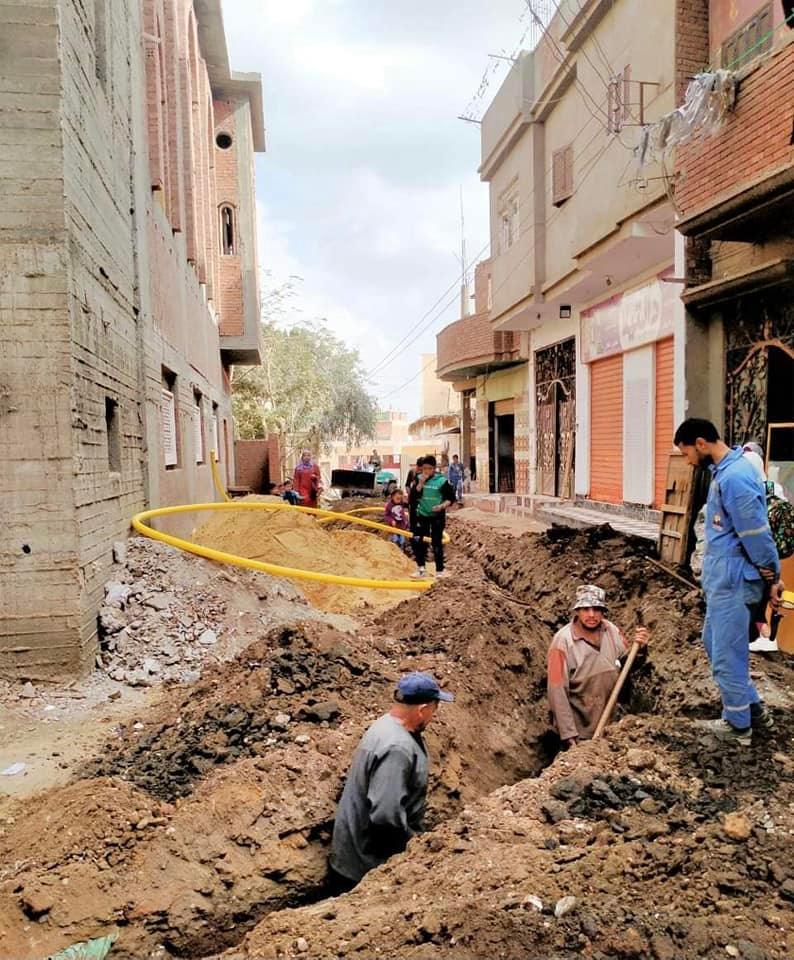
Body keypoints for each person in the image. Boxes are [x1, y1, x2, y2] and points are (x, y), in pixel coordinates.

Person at [675, 418, 783, 745]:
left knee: (726, 655)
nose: (688, 461)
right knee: (714, 643)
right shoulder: (724, 473)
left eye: (687, 453)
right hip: (724, 581)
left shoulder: (735, 476)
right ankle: (753, 710)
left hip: (734, 581)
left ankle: (738, 727)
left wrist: (772, 575)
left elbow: (756, 532)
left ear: (701, 443)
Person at [328, 672, 454, 891]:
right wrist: (416, 846)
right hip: (364, 867)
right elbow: (385, 815)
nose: (433, 716)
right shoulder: (397, 748)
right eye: (434, 709)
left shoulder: (384, 725)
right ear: (422, 710)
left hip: (352, 856)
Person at [547, 584, 650, 747]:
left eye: (596, 609)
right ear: (577, 610)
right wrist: (568, 733)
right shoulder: (562, 642)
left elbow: (627, 666)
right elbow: (556, 690)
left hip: (613, 727)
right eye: (586, 609)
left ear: (603, 611)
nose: (591, 614)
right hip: (581, 732)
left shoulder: (612, 630)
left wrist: (640, 649)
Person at [410, 455, 455, 580]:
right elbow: (413, 496)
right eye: (424, 468)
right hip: (422, 515)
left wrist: (441, 506)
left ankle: (440, 571)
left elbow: (451, 498)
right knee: (419, 541)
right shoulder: (418, 478)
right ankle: (421, 569)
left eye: (429, 468)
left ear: (434, 469)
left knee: (436, 542)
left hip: (437, 516)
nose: (426, 471)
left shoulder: (442, 481)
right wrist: (421, 483)